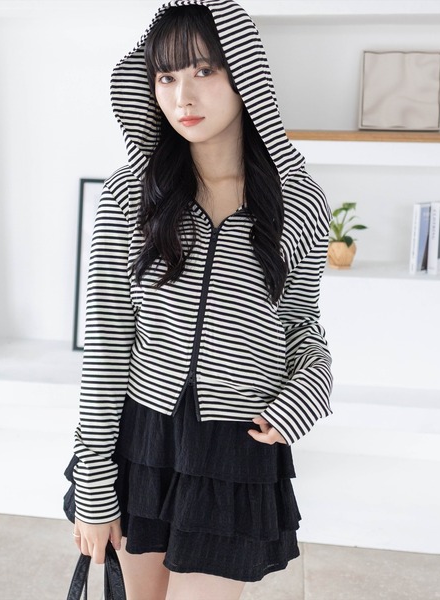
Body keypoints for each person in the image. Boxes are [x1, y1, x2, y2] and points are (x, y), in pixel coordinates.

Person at [70, 1, 333, 598]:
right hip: (142, 441)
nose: (182, 96)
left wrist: (309, 391)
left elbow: (301, 323)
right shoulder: (131, 196)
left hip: (232, 449)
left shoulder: (298, 202)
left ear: (245, 75)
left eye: (204, 70)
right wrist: (93, 483)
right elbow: (107, 343)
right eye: (166, 76)